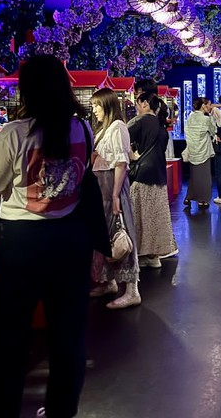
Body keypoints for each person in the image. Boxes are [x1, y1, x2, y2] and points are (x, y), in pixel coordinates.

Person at [0, 54, 94, 418]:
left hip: (21, 246)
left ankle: (0, 410)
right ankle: (62, 409)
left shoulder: (14, 132)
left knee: (7, 337)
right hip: (70, 242)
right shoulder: (82, 129)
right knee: (68, 335)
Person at [89, 88, 141, 309]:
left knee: (122, 232)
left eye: (97, 106)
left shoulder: (118, 127)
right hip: (102, 186)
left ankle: (132, 290)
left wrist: (115, 195)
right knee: (106, 235)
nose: (94, 111)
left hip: (112, 186)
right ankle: (108, 281)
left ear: (107, 105)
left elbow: (121, 163)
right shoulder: (105, 128)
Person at [128, 92, 175, 268]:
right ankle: (154, 255)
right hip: (159, 175)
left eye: (137, 104)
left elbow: (122, 138)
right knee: (155, 216)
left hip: (142, 175)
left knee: (138, 215)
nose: (136, 107)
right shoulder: (162, 126)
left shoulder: (139, 121)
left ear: (145, 104)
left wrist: (132, 156)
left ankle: (138, 253)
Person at [183, 97, 216, 209]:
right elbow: (213, 131)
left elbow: (187, 131)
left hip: (193, 149)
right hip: (203, 151)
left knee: (194, 176)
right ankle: (203, 200)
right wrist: (211, 117)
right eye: (209, 105)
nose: (210, 107)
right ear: (203, 105)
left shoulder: (190, 117)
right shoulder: (206, 119)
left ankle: (189, 197)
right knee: (205, 177)